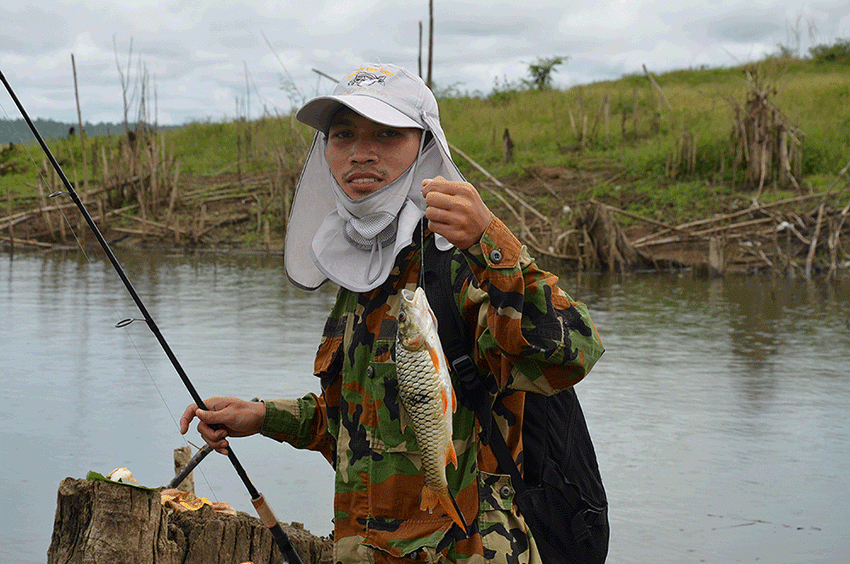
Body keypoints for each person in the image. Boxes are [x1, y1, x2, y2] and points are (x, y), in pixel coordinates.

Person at [180, 63, 604, 564]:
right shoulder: (358, 275)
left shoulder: (463, 265)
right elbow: (360, 427)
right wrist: (262, 417)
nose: (361, 152)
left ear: (424, 147)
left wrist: (491, 239)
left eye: (386, 133)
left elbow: (573, 352)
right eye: (343, 135)